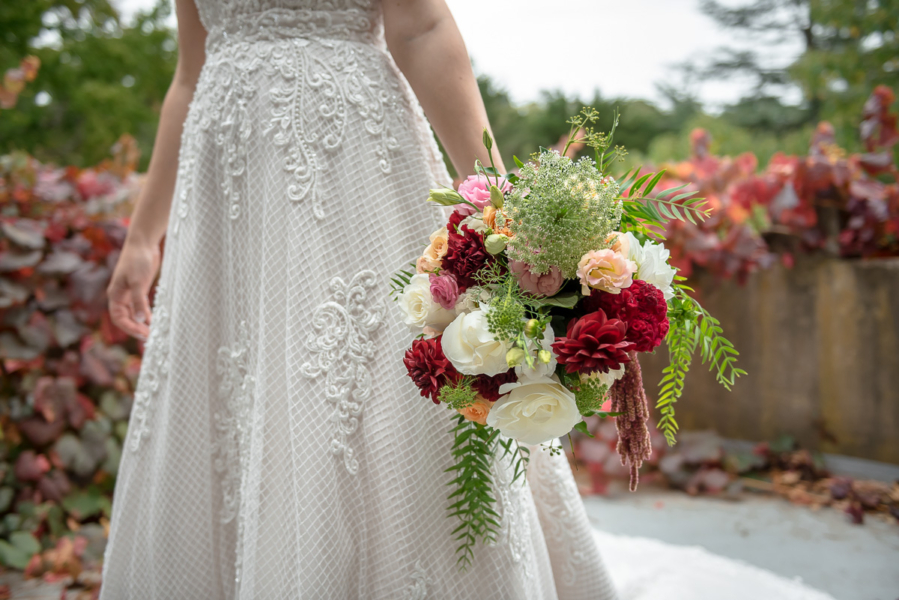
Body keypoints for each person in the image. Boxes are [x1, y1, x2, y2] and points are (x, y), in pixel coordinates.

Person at [101, 0, 619, 598]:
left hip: (348, 157)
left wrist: (500, 207)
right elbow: (190, 72)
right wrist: (143, 237)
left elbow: (421, 25)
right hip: (225, 175)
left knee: (376, 386)